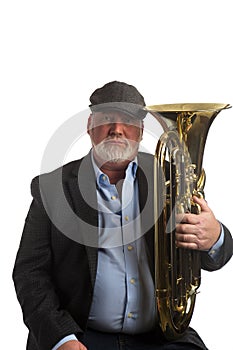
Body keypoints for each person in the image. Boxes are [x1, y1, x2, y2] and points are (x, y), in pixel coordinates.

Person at [13, 81, 232, 350]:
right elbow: (29, 274)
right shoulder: (52, 188)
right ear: (90, 127)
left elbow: (210, 257)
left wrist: (214, 237)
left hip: (160, 337)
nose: (116, 129)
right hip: (81, 335)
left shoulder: (170, 178)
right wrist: (62, 338)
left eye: (127, 120)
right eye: (106, 118)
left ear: (140, 132)